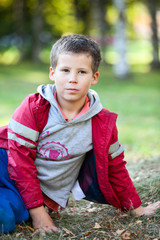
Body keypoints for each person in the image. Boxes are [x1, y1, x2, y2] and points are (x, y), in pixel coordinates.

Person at [0, 34, 159, 235]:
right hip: (6, 161)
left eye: (82, 72)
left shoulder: (102, 123)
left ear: (95, 77)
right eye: (65, 70)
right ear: (52, 73)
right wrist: (39, 213)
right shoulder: (34, 107)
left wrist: (135, 207)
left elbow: (115, 166)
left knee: (4, 216)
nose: (72, 79)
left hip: (22, 190)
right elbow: (19, 161)